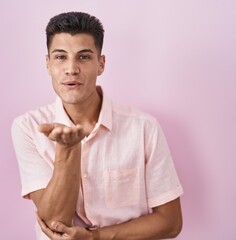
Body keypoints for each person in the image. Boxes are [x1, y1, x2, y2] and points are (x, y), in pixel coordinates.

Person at [11, 11, 183, 240]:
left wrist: (97, 236)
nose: (71, 69)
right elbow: (54, 223)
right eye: (60, 57)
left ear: (101, 64)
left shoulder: (144, 128)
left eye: (83, 57)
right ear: (48, 63)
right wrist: (67, 150)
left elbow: (170, 223)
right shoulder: (28, 128)